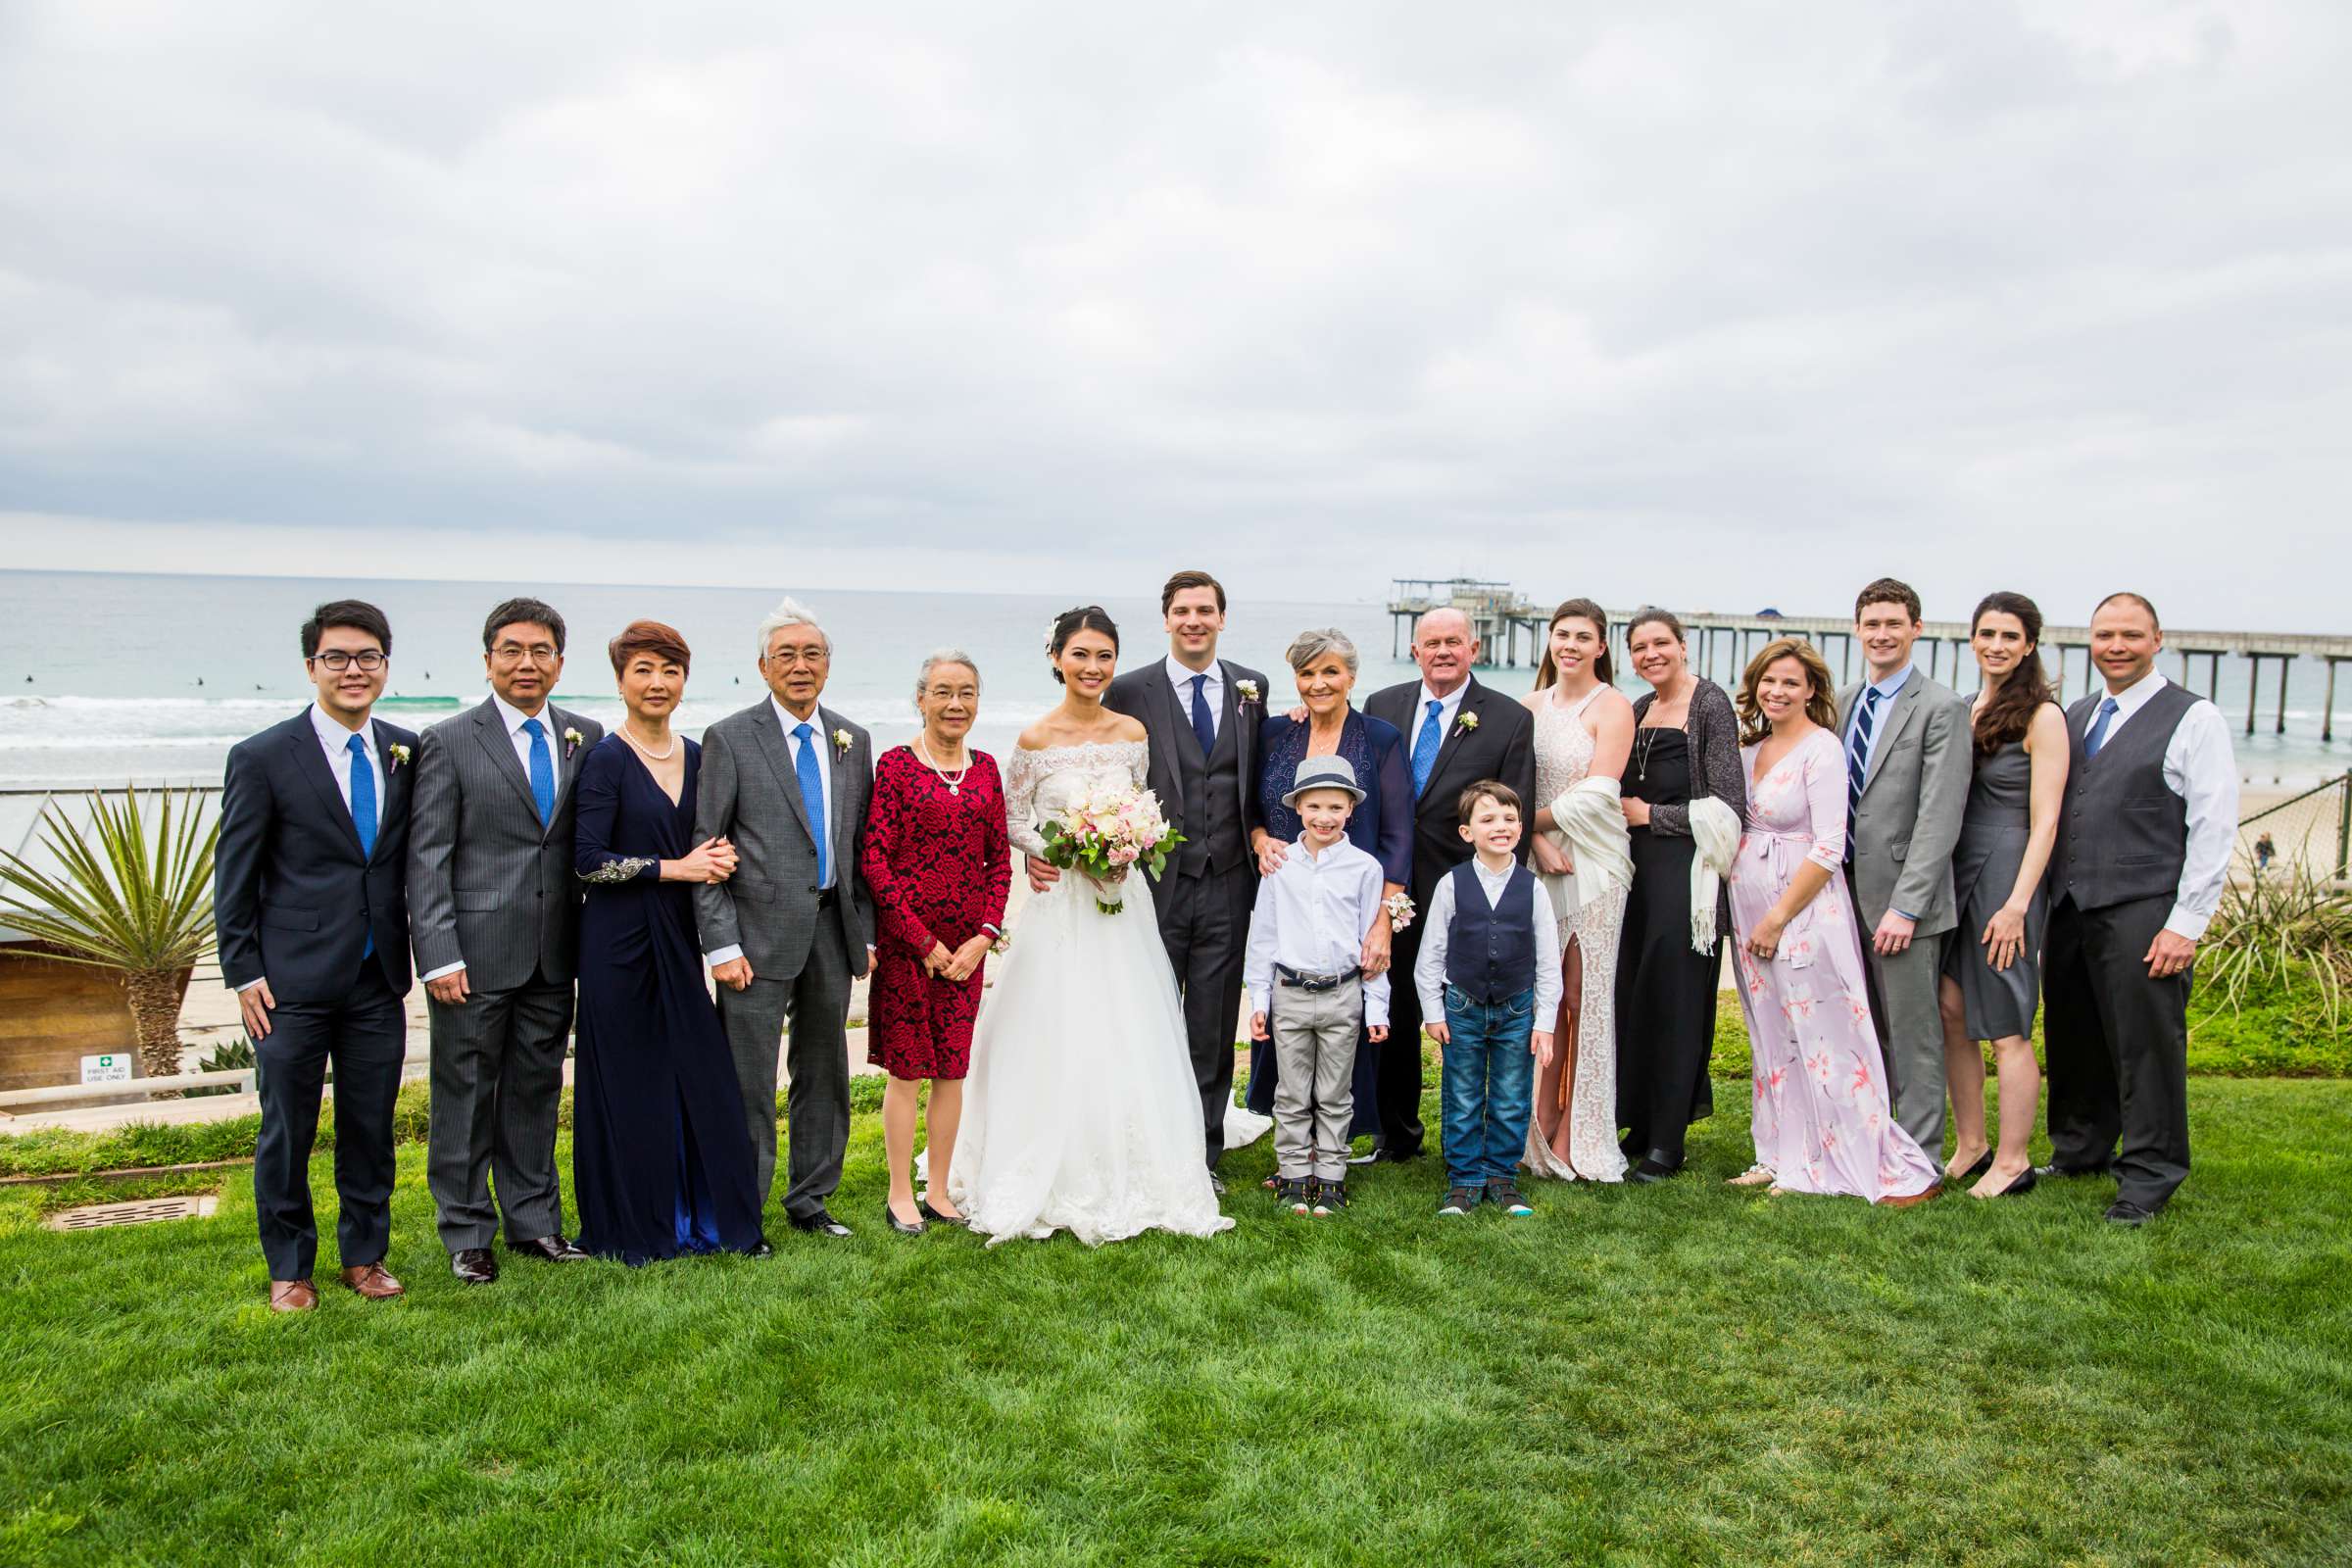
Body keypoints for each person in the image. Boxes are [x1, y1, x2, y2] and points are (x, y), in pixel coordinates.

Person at [949, 607, 1234, 1245]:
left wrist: (1127, 846)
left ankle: (1142, 1167)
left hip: (1122, 903)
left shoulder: (1132, 732)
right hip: (1062, 908)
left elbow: (1140, 806)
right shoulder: (1033, 741)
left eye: (1104, 655)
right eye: (1080, 654)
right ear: (1056, 659)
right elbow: (1013, 819)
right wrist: (1058, 852)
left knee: (1130, 1024)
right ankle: (1051, 1163)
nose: (1093, 667)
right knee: (1058, 1026)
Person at [214, 600, 417, 1311]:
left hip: (377, 976)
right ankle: (290, 1267)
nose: (353, 670)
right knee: (288, 1132)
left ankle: (365, 1256)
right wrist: (243, 972)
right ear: (311, 668)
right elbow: (234, 875)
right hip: (288, 984)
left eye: (367, 657)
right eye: (337, 657)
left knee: (370, 1127)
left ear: (386, 667)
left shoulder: (406, 749)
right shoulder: (264, 756)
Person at [406, 597, 603, 1285]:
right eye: (512, 650)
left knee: (535, 1091)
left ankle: (534, 1223)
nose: (527, 662)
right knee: (464, 1093)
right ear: (488, 659)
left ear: (559, 662)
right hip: (474, 953)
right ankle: (465, 1231)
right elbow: (427, 856)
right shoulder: (450, 740)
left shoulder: (587, 734)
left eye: (540, 650)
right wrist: (439, 953)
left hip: (556, 951)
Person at [2038, 593, 2237, 1225]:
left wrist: (2186, 923)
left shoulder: (2193, 718)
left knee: (2145, 1045)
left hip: (2145, 908)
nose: (2115, 646)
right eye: (2104, 635)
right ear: (2090, 643)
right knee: (2075, 1033)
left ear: (2157, 640)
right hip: (2070, 902)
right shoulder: (2076, 715)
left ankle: (2150, 1174)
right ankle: (2079, 1148)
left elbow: (2214, 825)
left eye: (2129, 634)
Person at [570, 622, 762, 1262]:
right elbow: (588, 860)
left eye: (671, 670)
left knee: (700, 1078)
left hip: (679, 938)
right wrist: (677, 868)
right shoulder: (604, 756)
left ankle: (711, 1220)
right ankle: (638, 1227)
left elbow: (715, 838)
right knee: (632, 1084)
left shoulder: (700, 755)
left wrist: (723, 859)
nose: (658, 682)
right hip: (617, 943)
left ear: (684, 680)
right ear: (621, 679)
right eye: (644, 669)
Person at [1729, 638, 1940, 1205]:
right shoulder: (1749, 749)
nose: (1778, 692)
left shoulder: (1822, 750)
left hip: (1800, 914)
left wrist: (1776, 918)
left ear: (1812, 690)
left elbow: (1827, 848)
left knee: (1823, 1036)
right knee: (1771, 1035)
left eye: (1791, 683)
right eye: (1769, 681)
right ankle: (1778, 1152)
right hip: (1747, 911)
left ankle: (1837, 1156)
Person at [694, 597, 875, 1241]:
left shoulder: (853, 739)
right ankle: (743, 1207)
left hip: (833, 930)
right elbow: (707, 848)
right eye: (787, 656)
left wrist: (868, 933)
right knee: (747, 1077)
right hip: (754, 936)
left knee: (824, 1072)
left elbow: (860, 848)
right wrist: (720, 944)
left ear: (828, 664)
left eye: (813, 654)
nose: (801, 666)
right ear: (763, 667)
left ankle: (811, 1200)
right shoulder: (730, 738)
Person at [1092, 569, 1268, 1190]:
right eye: (1182, 611)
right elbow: (1098, 766)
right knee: (1146, 1014)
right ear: (1165, 619)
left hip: (1229, 882)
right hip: (1151, 881)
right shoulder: (1130, 689)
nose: (1194, 621)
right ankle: (1141, 1140)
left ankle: (1202, 1152)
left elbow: (1258, 773)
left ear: (1223, 618)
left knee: (1213, 1024)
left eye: (1205, 610)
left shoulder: (1252, 687)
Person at [1362, 609, 1539, 1164]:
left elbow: (1516, 811)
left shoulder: (1508, 718)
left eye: (1453, 642)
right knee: (1388, 1007)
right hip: (1389, 884)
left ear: (1474, 648)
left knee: (1462, 1014)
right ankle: (1395, 1135)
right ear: (1415, 651)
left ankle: (1474, 1143)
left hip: (1460, 890)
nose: (1442, 651)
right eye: (1431, 642)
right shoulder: (1381, 705)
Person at [860, 650, 1010, 1236]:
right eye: (944, 692)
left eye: (967, 692)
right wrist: (921, 941)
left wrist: (983, 937)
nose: (956, 703)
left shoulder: (987, 769)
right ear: (920, 699)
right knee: (906, 1072)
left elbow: (1000, 862)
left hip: (967, 953)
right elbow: (875, 860)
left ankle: (940, 1189)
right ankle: (901, 1193)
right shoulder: (896, 766)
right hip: (907, 947)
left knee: (952, 1071)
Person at [1244, 628, 1410, 1144]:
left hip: (1354, 905)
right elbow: (1249, 805)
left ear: (1351, 677)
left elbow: (1399, 833)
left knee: (1348, 1019)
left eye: (1330, 671)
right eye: (1307, 673)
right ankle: (1291, 1139)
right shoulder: (1274, 732)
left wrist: (1384, 921)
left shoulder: (1380, 738)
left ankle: (1343, 1137)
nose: (1318, 683)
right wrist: (1260, 840)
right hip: (1286, 895)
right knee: (1285, 1019)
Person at [1936, 593, 2068, 1199]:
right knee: (1951, 1011)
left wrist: (2018, 905)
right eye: (1986, 633)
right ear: (1972, 639)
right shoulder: (1965, 707)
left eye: (2009, 636)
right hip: (1959, 871)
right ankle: (1971, 1144)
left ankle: (2014, 1162)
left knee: (2009, 1024)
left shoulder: (2043, 717)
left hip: (2007, 874)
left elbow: (2046, 822)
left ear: (2030, 644)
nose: (1996, 645)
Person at [1837, 578, 1971, 1154]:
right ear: (1858, 629)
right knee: (1860, 1030)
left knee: (1913, 1035)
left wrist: (1907, 906)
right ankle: (1869, 1141)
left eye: (1894, 623)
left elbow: (1940, 817)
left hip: (1902, 901)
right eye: (1872, 624)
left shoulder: (1941, 707)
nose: (1882, 634)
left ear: (1917, 628)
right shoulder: (1842, 702)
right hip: (1839, 890)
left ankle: (1920, 1156)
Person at [1614, 609, 1746, 1182]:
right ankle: (1639, 1122)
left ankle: (1669, 1141)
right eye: (1639, 647)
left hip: (1686, 874)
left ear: (1682, 645)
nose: (1651, 655)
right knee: (1635, 996)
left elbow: (1729, 807)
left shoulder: (1709, 704)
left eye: (1660, 643)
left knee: (1677, 1003)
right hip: (1635, 875)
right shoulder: (1639, 708)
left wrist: (1652, 815)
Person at [1243, 756, 1393, 1217]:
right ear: (1298, 809)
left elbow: (1372, 946)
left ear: (1350, 810)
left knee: (1333, 1092)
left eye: (1334, 807)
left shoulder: (1366, 868)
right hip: (1289, 992)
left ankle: (1330, 1176)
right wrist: (1260, 1000)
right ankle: (1291, 1173)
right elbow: (1263, 935)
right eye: (1314, 807)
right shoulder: (1280, 865)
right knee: (1291, 1092)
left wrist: (1377, 1009)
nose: (1324, 817)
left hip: (1343, 994)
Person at [1520, 599, 1635, 1185]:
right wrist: (1533, 842)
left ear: (1600, 646)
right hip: (1543, 863)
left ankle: (1578, 1129)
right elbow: (1509, 787)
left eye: (1582, 636)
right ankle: (1537, 1120)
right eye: (1561, 634)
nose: (1569, 644)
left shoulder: (1611, 706)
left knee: (1582, 993)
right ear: (1549, 639)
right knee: (1545, 993)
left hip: (1593, 864)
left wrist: (1524, 826)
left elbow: (1598, 795)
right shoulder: (1529, 705)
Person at [1413, 781, 1558, 1217]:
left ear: (1520, 827)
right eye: (1488, 819)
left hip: (1517, 1007)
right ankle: (1464, 1180)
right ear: (1467, 832)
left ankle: (1501, 1177)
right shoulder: (1451, 884)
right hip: (1463, 1005)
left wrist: (1544, 1022)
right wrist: (1433, 1012)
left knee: (1511, 1095)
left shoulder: (1532, 888)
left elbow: (1548, 961)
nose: (1502, 826)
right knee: (1462, 1094)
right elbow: (1430, 955)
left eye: (1510, 819)